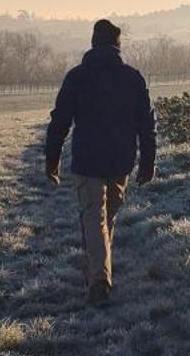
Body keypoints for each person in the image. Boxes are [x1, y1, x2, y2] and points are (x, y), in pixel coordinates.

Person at [45, 18, 156, 305]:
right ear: (118, 45)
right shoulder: (133, 78)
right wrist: (147, 162)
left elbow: (60, 122)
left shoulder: (77, 77)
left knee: (94, 219)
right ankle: (100, 275)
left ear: (93, 43)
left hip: (87, 160)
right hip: (121, 161)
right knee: (106, 218)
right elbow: (147, 124)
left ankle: (98, 279)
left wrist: (52, 159)